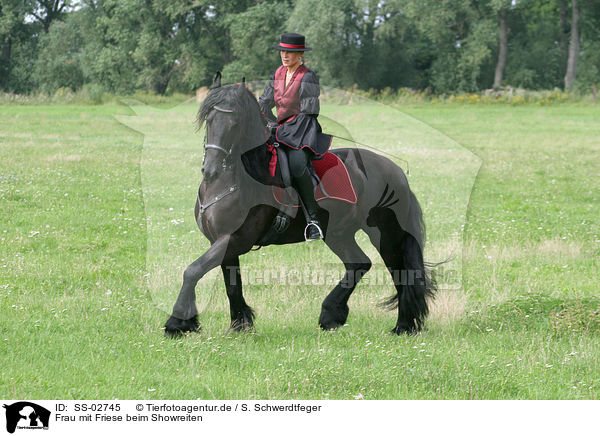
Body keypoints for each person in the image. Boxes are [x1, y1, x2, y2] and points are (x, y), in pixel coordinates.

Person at [258, 33, 332, 241]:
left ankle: (313, 221)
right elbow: (264, 103)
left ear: (300, 54)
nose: (285, 55)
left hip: (302, 131)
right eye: (283, 51)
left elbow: (310, 112)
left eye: (290, 52)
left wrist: (280, 130)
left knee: (298, 165)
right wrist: (267, 123)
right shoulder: (277, 74)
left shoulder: (308, 76)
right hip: (279, 130)